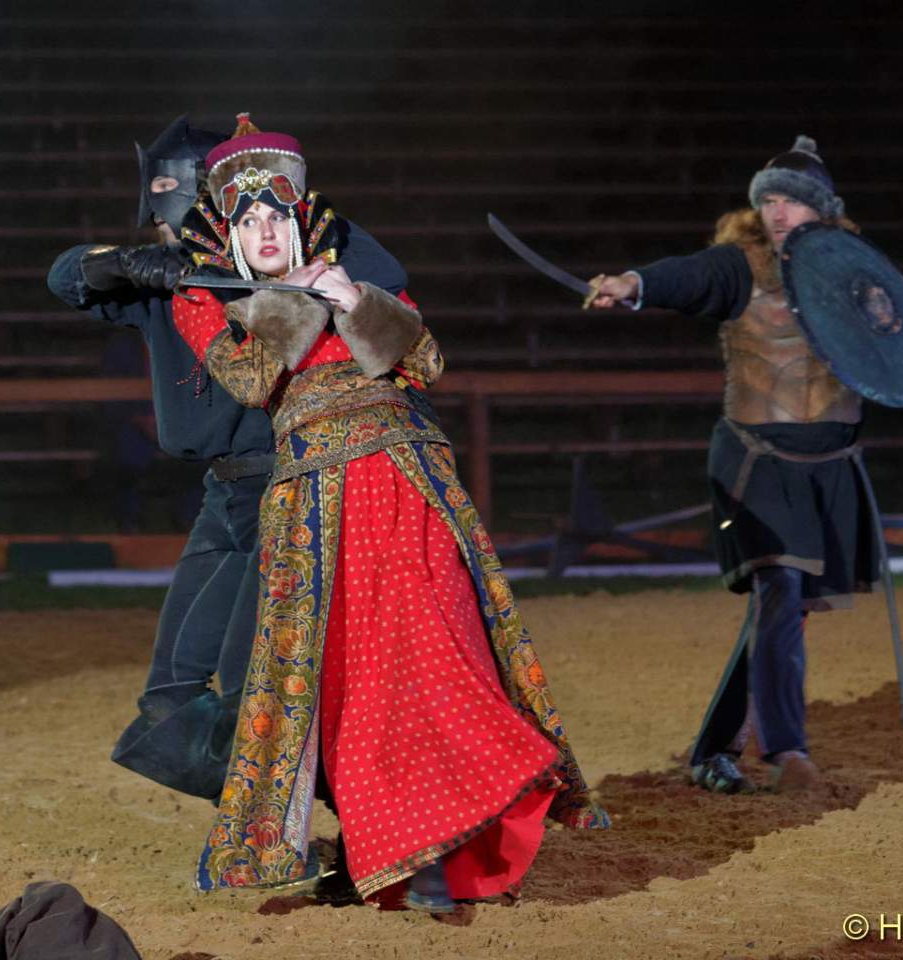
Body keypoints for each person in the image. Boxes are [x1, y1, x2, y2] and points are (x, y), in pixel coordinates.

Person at [172, 114, 608, 911]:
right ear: (227, 230)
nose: (264, 228)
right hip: (317, 507)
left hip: (413, 484)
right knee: (359, 688)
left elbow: (427, 362)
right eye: (248, 217)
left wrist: (355, 298)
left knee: (440, 657)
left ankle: (456, 836)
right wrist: (303, 299)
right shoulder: (207, 299)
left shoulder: (354, 279)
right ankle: (401, 856)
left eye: (277, 213)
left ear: (299, 216)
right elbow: (252, 379)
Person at [46, 116, 410, 800]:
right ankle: (268, 812)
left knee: (255, 682)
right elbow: (65, 278)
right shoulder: (162, 287)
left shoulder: (282, 269)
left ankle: (342, 816)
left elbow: (387, 278)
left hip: (288, 489)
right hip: (223, 499)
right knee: (168, 699)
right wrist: (125, 263)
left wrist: (289, 250)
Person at [588, 136, 880, 794]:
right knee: (781, 586)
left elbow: (892, 347)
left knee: (785, 610)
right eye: (769, 200)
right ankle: (787, 751)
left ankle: (714, 752)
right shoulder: (739, 266)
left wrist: (884, 319)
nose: (778, 212)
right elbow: (684, 276)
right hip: (756, 464)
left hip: (828, 466)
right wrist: (632, 285)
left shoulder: (853, 273)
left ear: (822, 210)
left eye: (792, 202)